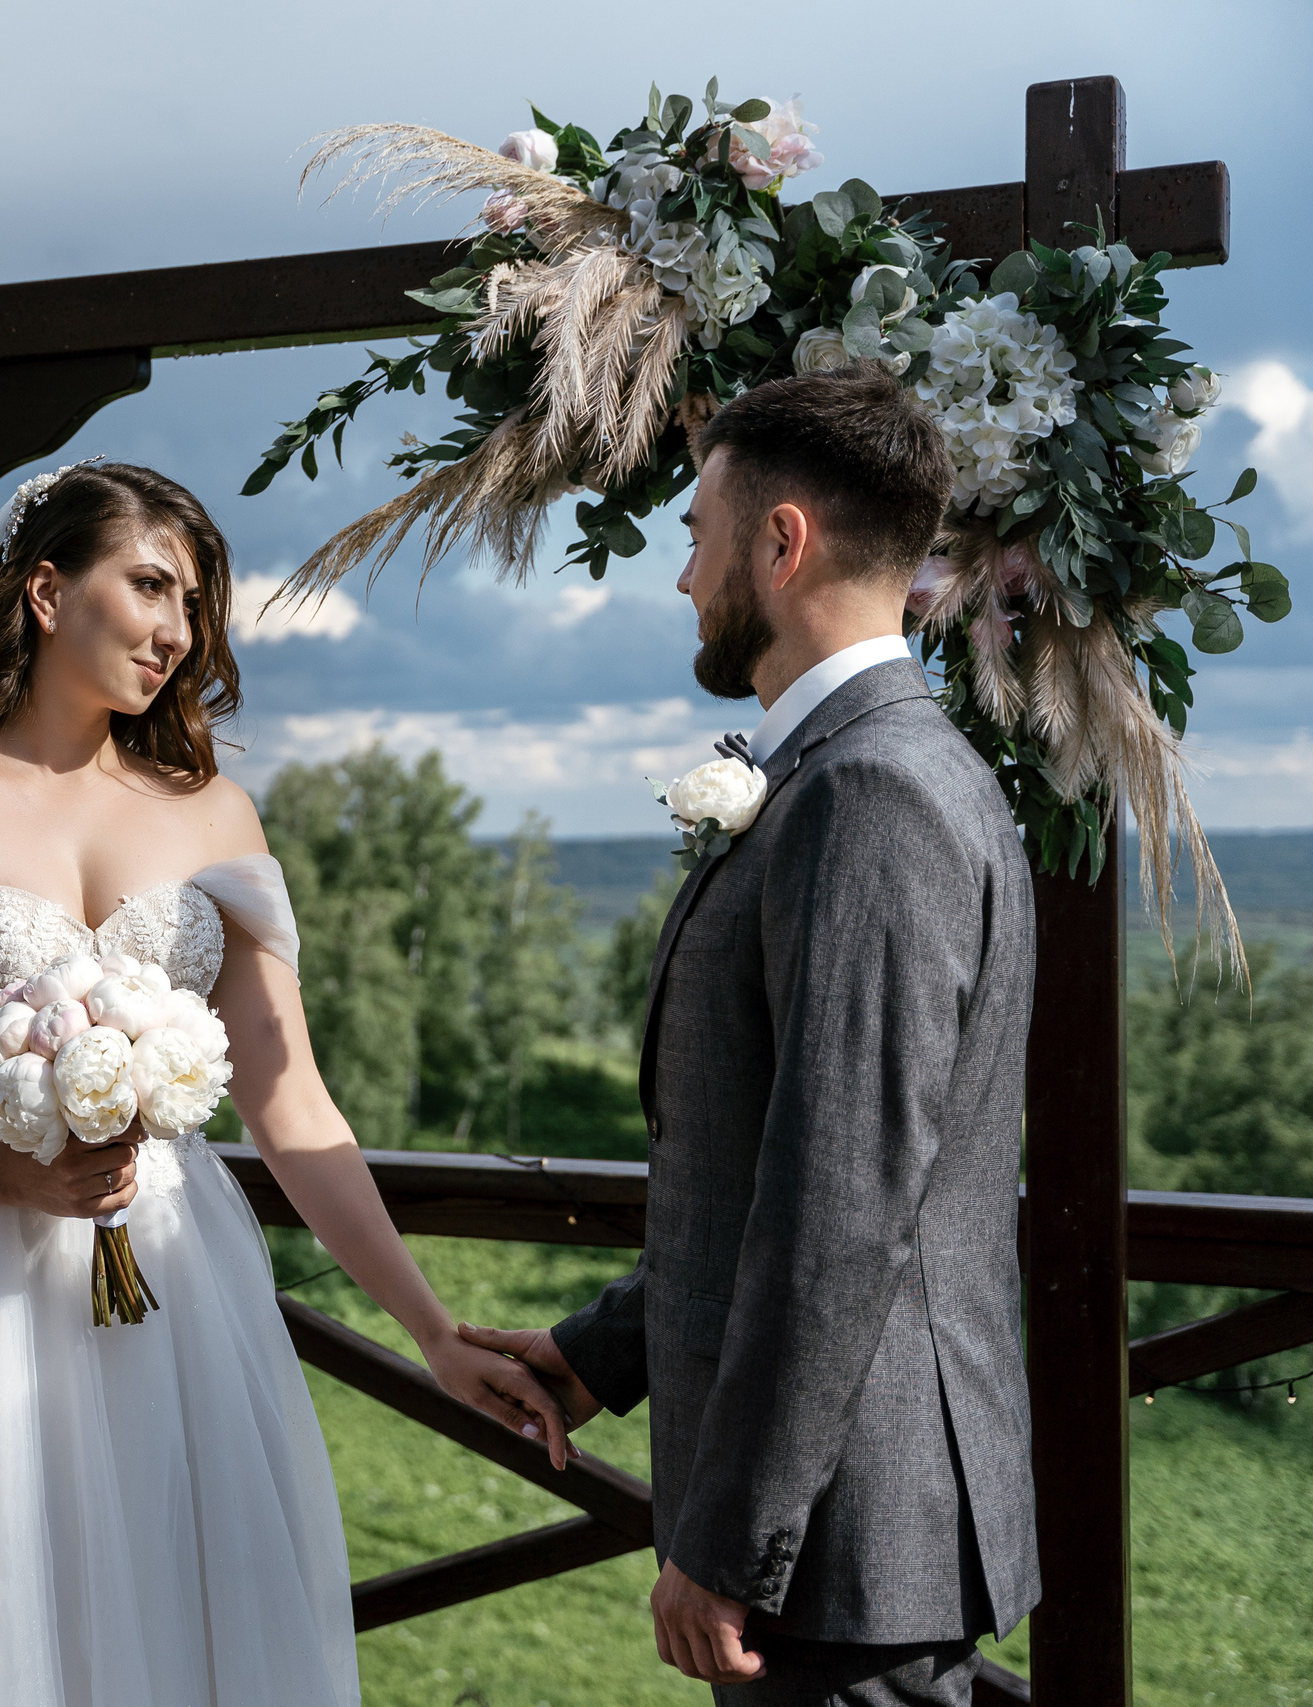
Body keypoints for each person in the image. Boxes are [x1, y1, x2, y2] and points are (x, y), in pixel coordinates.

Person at [0, 460, 573, 1705]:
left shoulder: (213, 817)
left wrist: (429, 1328)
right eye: (148, 586)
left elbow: (293, 1107)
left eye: (192, 604)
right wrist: (2, 1169)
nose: (177, 632)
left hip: (176, 1303)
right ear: (42, 590)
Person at [457, 363, 1040, 1706]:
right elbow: (774, 1162)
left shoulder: (872, 791)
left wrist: (736, 1543)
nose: (682, 580)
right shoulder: (849, 769)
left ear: (780, 544)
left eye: (696, 538)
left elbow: (840, 1206)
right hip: (835, 1529)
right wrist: (605, 1349)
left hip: (839, 1541)